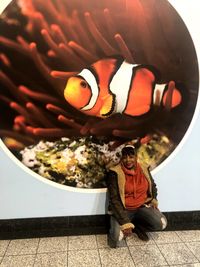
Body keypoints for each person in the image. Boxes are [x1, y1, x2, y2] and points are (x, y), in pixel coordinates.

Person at [106, 144, 167, 248]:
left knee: (162, 224)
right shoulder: (114, 172)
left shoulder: (144, 169)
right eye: (124, 157)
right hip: (123, 209)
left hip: (141, 207)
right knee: (116, 238)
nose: (128, 160)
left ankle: (137, 226)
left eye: (131, 157)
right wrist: (125, 223)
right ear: (121, 158)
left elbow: (152, 185)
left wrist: (153, 200)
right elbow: (114, 199)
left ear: (136, 157)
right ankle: (124, 224)